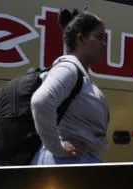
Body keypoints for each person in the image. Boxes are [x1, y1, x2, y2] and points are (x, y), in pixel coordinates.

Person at [30, 8, 110, 165]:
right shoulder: (69, 67)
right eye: (99, 37)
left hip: (71, 162)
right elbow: (41, 101)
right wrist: (57, 148)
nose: (104, 44)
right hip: (66, 163)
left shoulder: (79, 73)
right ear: (81, 39)